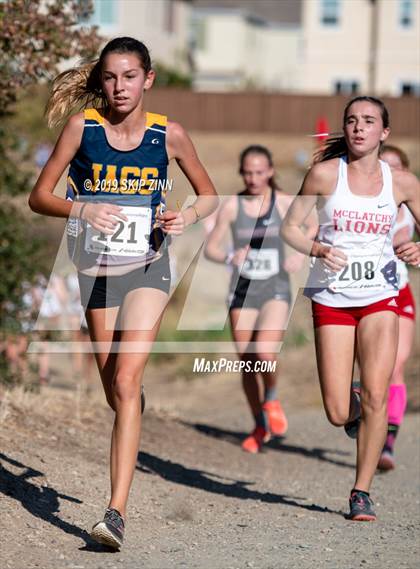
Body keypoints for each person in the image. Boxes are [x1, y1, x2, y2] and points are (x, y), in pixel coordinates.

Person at [28, 37, 218, 549]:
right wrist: (82, 209)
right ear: (102, 81)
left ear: (148, 79)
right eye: (111, 77)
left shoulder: (168, 134)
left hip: (149, 267)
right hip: (97, 272)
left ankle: (114, 513)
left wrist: (186, 216)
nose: (120, 87)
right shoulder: (82, 129)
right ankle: (130, 398)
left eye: (130, 76)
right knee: (116, 386)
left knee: (128, 380)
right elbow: (39, 196)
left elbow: (208, 195)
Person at [281, 96, 420, 521]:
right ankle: (355, 411)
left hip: (381, 296)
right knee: (338, 409)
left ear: (384, 133)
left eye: (369, 121)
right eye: (352, 121)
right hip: (332, 297)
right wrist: (318, 247)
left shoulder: (402, 182)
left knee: (379, 393)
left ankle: (361, 490)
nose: (359, 128)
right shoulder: (324, 174)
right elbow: (289, 227)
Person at [205, 145, 315, 453]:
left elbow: (312, 225)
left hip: (275, 288)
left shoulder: (283, 203)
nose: (253, 178)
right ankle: (258, 424)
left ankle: (272, 398)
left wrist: (297, 252)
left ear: (270, 172)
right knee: (248, 361)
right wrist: (230, 255)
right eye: (248, 172)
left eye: (259, 172)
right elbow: (211, 249)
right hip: (242, 291)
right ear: (242, 173)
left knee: (265, 353)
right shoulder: (232, 207)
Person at [377, 145, 419, 471]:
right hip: (363, 295)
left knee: (396, 365)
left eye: (396, 167)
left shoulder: (407, 206)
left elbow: (404, 233)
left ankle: (388, 441)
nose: (390, 172)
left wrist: (411, 247)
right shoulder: (361, 200)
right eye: (383, 166)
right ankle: (365, 416)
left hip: (398, 292)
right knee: (372, 370)